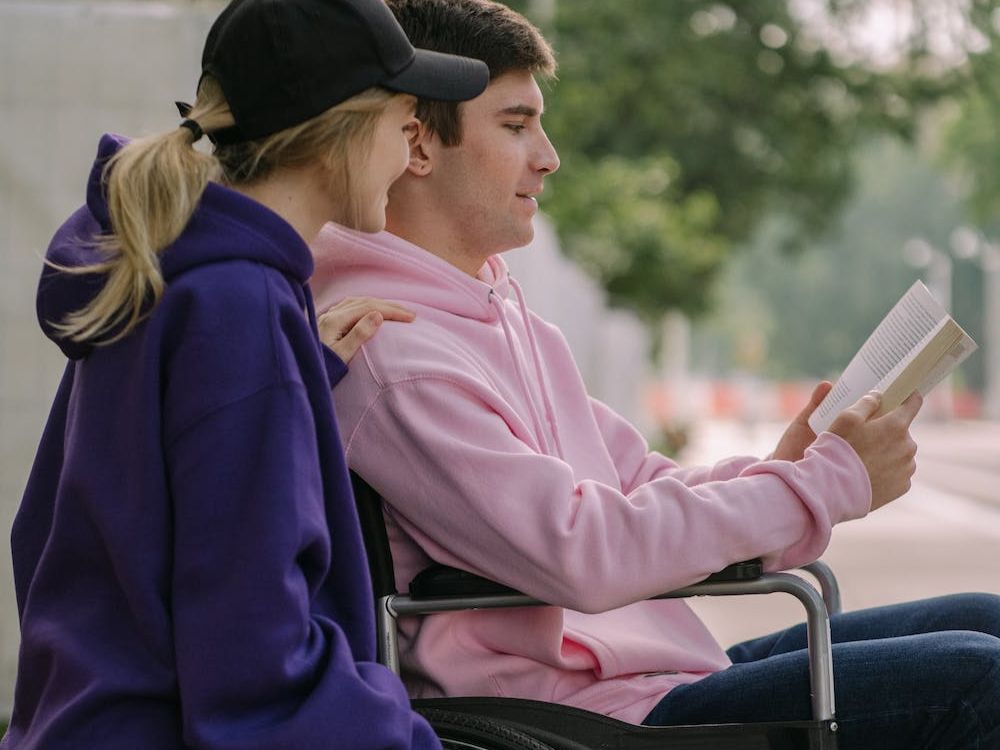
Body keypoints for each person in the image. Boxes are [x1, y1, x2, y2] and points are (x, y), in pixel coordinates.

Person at [308, 0, 1000, 747]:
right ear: (417, 144)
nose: (549, 155)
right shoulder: (394, 352)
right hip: (581, 711)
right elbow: (584, 550)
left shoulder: (504, 318)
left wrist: (786, 467)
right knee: (981, 678)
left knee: (985, 618)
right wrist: (826, 485)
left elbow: (637, 484)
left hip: (651, 675)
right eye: (515, 126)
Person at [2, 1, 489, 748]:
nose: (413, 147)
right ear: (339, 129)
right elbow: (258, 665)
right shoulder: (238, 309)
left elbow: (72, 525)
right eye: (406, 118)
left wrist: (296, 374)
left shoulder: (166, 273)